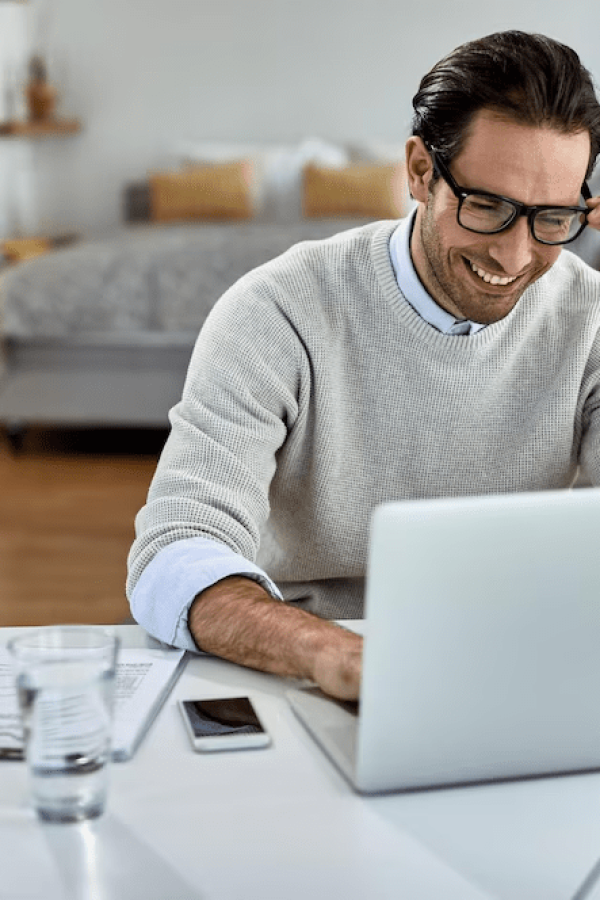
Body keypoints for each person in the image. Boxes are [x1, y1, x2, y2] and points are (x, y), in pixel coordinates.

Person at [127, 31, 600, 701]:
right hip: (306, 673)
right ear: (418, 171)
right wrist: (338, 656)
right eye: (488, 207)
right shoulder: (278, 311)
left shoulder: (590, 318)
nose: (516, 256)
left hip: (518, 672)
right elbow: (172, 553)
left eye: (552, 217)